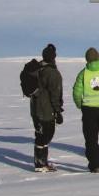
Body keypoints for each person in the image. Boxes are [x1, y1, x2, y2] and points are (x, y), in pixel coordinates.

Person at [31, 43, 63, 172]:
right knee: (47, 134)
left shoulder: (37, 69)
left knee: (40, 134)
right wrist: (58, 111)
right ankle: (41, 164)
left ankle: (40, 162)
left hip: (35, 109)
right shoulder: (52, 73)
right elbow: (55, 94)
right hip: (46, 110)